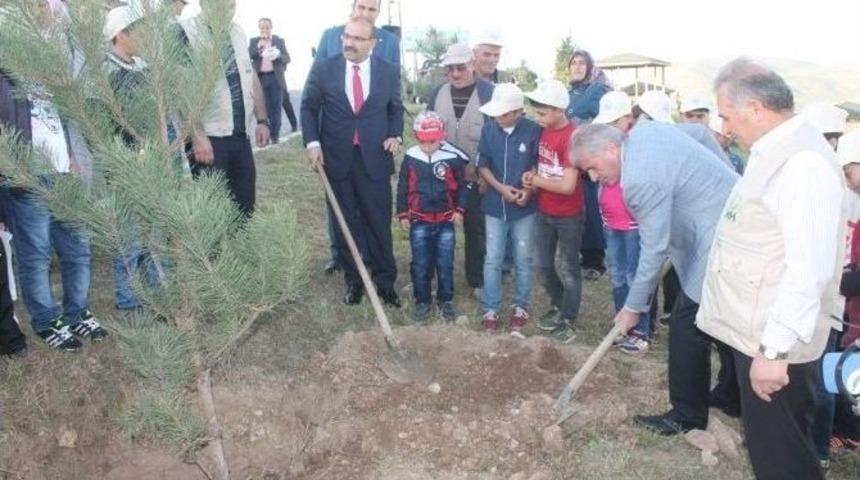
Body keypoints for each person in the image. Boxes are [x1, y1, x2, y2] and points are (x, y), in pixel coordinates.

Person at [696, 58, 848, 480]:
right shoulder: (776, 153)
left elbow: (808, 270)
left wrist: (774, 352)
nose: (725, 128)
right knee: (775, 452)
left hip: (773, 341)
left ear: (757, 109)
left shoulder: (802, 165)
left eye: (727, 116)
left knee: (782, 460)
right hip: (758, 332)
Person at [571, 120, 738, 436]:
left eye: (592, 168)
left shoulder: (637, 181)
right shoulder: (645, 132)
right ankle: (732, 395)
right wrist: (732, 183)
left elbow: (654, 249)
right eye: (586, 173)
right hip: (730, 220)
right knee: (720, 316)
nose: (594, 178)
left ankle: (687, 416)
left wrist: (634, 307)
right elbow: (701, 133)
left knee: (687, 326)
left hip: (719, 237)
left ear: (611, 149)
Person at [0, 2, 108, 352]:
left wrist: (74, 156)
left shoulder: (52, 51)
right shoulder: (7, 60)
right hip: (26, 174)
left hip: (65, 169)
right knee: (37, 254)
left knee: (77, 248)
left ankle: (77, 312)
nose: (48, 6)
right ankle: (47, 321)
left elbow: (62, 111)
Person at [301, 15, 403, 308]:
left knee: (378, 221)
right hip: (336, 158)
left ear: (372, 43)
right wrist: (312, 143)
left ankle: (385, 283)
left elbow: (395, 109)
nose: (349, 43)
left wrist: (395, 134)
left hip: (374, 159)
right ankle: (355, 281)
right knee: (345, 222)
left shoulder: (387, 71)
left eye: (358, 38)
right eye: (347, 36)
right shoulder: (324, 69)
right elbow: (308, 108)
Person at [178, 0, 270, 216]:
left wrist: (263, 120)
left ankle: (240, 251)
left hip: (239, 137)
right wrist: (197, 136)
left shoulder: (237, 31)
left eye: (231, 5)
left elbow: (250, 75)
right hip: (209, 140)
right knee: (212, 216)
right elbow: (179, 87)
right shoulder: (185, 32)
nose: (227, 11)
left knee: (244, 210)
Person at [102, 4, 167, 313]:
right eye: (138, 31)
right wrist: (125, 158)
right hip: (125, 165)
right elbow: (101, 126)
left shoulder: (143, 68)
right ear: (121, 35)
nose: (143, 36)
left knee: (155, 233)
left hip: (151, 162)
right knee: (129, 237)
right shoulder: (106, 72)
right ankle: (129, 301)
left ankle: (156, 295)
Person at [802, 100, 850, 469]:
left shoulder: (839, 188)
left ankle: (818, 451)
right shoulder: (828, 180)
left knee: (823, 380)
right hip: (820, 294)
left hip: (830, 300)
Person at [426, 42, 494, 298]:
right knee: (434, 228)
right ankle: (431, 277)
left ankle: (476, 280)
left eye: (460, 67)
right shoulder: (436, 94)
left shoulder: (489, 93)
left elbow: (496, 138)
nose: (455, 74)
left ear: (472, 65)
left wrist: (484, 171)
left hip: (477, 177)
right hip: (440, 177)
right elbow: (426, 133)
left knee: (476, 229)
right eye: (449, 69)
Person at [589, 91, 652, 354]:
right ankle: (622, 325)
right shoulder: (602, 146)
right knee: (617, 275)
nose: (612, 128)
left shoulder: (638, 147)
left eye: (616, 122)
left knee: (635, 276)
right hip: (611, 223)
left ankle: (642, 331)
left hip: (633, 225)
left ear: (628, 119)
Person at [476, 83, 540, 331]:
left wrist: (529, 190)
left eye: (503, 113)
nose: (497, 118)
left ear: (517, 112)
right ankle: (490, 308)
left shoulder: (533, 131)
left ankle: (520, 304)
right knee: (492, 257)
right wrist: (501, 188)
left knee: (523, 257)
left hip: (525, 207)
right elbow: (483, 165)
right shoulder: (489, 130)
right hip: (494, 204)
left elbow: (538, 164)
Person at [520, 80, 580, 343]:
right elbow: (543, 167)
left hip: (569, 214)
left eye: (543, 113)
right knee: (542, 265)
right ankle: (559, 304)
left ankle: (569, 318)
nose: (538, 117)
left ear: (558, 110)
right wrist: (532, 178)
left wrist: (536, 182)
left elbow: (568, 186)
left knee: (569, 268)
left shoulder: (572, 137)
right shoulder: (544, 132)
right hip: (544, 209)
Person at [396, 112, 467, 323]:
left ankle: (446, 301)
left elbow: (462, 187)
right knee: (421, 263)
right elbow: (402, 188)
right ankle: (422, 300)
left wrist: (459, 210)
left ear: (441, 137)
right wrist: (402, 213)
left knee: (445, 264)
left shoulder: (452, 159)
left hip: (445, 222)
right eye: (423, 141)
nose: (428, 145)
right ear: (416, 137)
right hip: (419, 222)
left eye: (433, 141)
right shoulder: (411, 157)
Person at [566, 49, 610, 281]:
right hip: (568, 156)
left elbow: (584, 114)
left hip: (591, 155)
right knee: (574, 207)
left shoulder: (597, 90)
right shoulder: (568, 92)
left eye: (583, 63)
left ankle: (594, 260)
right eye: (574, 63)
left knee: (591, 208)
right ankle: (579, 254)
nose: (578, 67)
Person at [249, 17, 290, 143]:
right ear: (259, 29)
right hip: (260, 78)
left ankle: (275, 135)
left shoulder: (278, 40)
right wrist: (258, 48)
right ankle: (265, 135)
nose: (264, 30)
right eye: (262, 27)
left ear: (271, 28)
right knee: (263, 108)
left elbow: (287, 58)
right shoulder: (254, 41)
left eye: (267, 27)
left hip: (275, 78)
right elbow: (249, 55)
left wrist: (278, 56)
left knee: (276, 108)